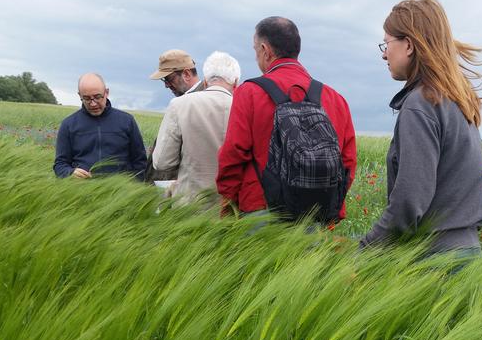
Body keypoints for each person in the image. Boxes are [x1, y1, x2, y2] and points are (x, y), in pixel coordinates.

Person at [359, 0, 482, 257]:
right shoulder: (457, 99)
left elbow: (408, 201)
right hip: (467, 253)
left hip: (433, 259)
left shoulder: (421, 103)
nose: (384, 53)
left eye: (387, 43)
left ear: (408, 45)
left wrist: (364, 250)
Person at [217, 16, 357, 220]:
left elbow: (233, 154)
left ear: (265, 50)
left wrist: (228, 203)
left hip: (260, 211)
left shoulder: (249, 93)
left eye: (255, 49)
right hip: (315, 216)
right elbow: (347, 162)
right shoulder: (335, 99)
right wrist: (329, 205)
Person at [151, 51, 241, 204]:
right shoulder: (245, 108)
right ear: (236, 82)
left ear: (205, 81)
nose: (166, 85)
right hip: (231, 209)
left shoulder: (179, 105)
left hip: (189, 206)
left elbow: (162, 162)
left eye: (168, 79)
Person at [53, 73, 147, 179]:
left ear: (106, 93)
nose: (93, 104)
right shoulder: (68, 125)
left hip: (121, 191)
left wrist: (133, 188)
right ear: (80, 96)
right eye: (87, 99)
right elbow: (60, 165)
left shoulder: (127, 121)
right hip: (82, 191)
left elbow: (140, 162)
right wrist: (70, 172)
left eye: (97, 97)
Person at [145, 49, 206, 182]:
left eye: (168, 79)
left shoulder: (201, 103)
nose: (166, 85)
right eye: (164, 80)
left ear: (187, 74)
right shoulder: (184, 102)